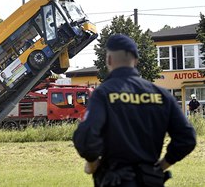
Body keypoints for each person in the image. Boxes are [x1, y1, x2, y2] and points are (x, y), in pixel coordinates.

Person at [73, 34, 196, 187]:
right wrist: (162, 165)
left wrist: (92, 163)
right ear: (136, 61)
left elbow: (86, 136)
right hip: (151, 180)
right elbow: (187, 138)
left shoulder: (103, 93)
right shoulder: (162, 95)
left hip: (114, 180)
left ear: (109, 60)